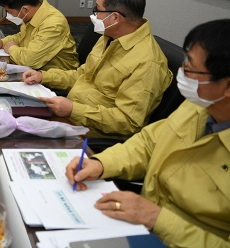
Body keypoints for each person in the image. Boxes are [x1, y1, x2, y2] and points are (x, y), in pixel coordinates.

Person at [65, 19, 230, 248]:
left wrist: (156, 218)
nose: (181, 74)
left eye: (190, 69)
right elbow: (148, 143)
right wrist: (101, 163)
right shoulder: (200, 105)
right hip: (139, 225)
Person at [23, 0, 172, 140]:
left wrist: (74, 110)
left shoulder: (147, 63)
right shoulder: (109, 37)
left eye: (97, 9)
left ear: (115, 17)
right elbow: (82, 75)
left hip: (89, 134)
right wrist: (44, 77)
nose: (94, 15)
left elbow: (128, 122)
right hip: (68, 116)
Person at [0, 0, 79, 71]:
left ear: (25, 9)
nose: (8, 15)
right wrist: (2, 42)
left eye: (9, 11)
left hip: (56, 77)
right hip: (35, 72)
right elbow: (23, 37)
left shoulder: (53, 24)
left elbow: (30, 60)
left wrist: (11, 49)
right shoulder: (33, 13)